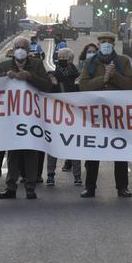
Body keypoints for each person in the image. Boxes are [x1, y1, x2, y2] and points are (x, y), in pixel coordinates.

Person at [0, 36, 53, 200]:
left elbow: (47, 85)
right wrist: (6, 76)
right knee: (13, 152)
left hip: (31, 116)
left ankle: (30, 187)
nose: (20, 50)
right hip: (11, 116)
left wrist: (30, 77)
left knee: (30, 152)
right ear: (13, 50)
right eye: (17, 47)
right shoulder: (5, 65)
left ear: (28, 51)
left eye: (23, 47)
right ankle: (11, 186)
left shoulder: (37, 65)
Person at [78, 32, 132, 198]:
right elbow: (83, 86)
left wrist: (114, 76)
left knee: (120, 151)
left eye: (109, 41)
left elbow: (130, 84)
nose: (106, 44)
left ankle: (122, 187)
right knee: (93, 152)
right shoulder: (91, 62)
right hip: (96, 115)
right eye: (103, 41)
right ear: (99, 43)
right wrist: (103, 78)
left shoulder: (123, 61)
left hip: (117, 114)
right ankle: (90, 187)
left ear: (113, 44)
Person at [46, 47, 82, 186]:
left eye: (63, 58)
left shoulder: (77, 75)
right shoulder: (52, 75)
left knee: (74, 147)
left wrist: (77, 85)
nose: (60, 61)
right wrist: (53, 85)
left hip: (73, 117)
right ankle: (50, 175)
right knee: (53, 147)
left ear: (70, 60)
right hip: (56, 116)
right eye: (58, 58)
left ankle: (77, 176)